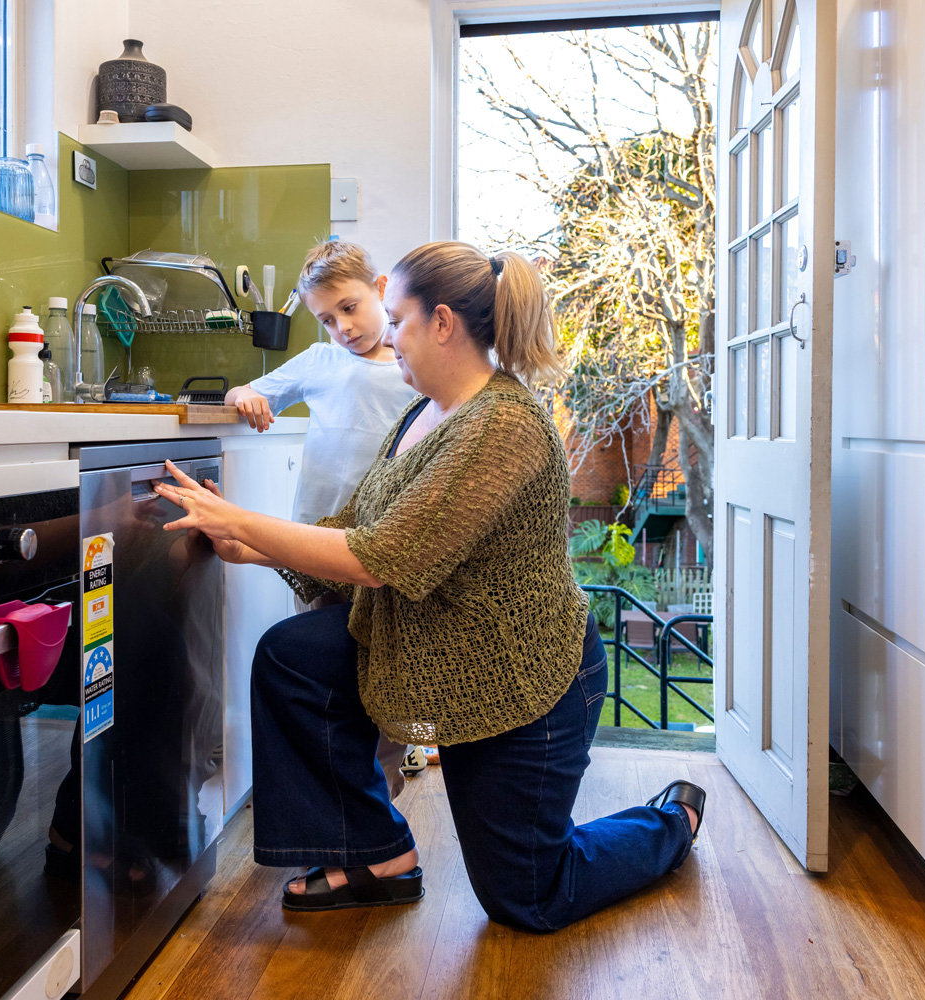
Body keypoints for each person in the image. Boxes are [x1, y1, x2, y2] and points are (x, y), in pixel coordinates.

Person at [152, 242, 706, 929]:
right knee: (293, 657)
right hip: (438, 659)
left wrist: (244, 522)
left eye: (400, 319)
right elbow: (355, 523)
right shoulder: (422, 415)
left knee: (527, 897)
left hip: (525, 687)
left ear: (442, 323)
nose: (388, 335)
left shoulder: (504, 424)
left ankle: (670, 823)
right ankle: (377, 854)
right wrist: (251, 547)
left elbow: (381, 556)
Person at [224, 239, 422, 796]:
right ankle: (347, 788)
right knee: (328, 673)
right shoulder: (321, 361)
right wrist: (249, 396)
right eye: (327, 319)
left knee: (386, 668)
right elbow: (249, 390)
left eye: (350, 308)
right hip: (313, 547)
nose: (343, 327)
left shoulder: (413, 367)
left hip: (380, 546)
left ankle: (387, 779)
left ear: (381, 290)